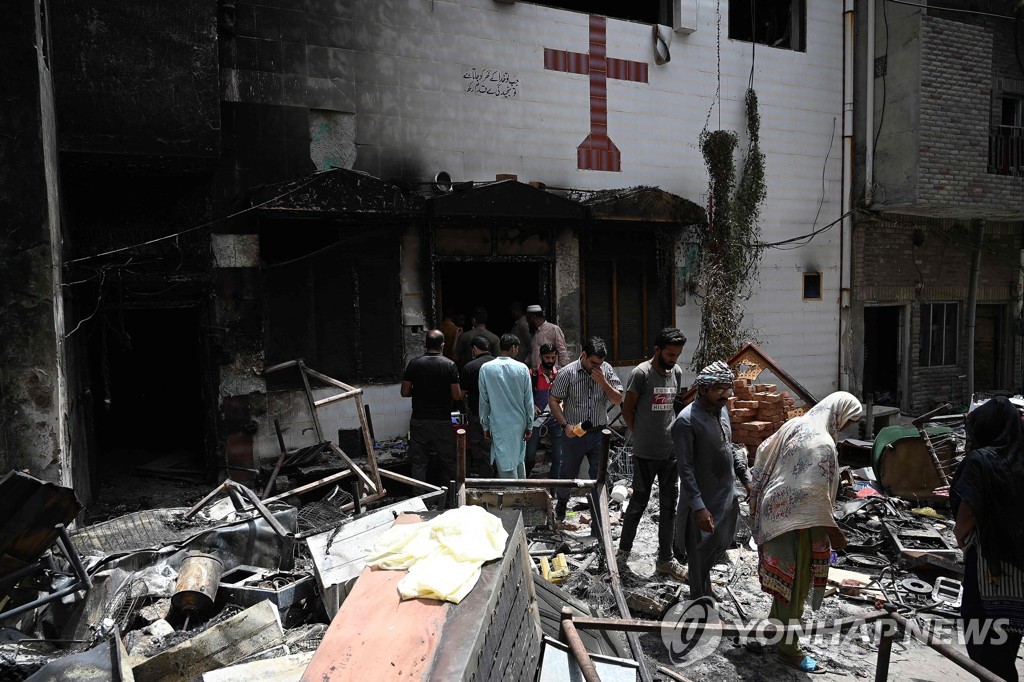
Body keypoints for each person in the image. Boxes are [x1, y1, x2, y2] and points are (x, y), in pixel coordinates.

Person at [748, 392, 863, 674]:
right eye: (849, 420)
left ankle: (774, 631)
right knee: (795, 584)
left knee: (784, 582)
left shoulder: (797, 424)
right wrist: (832, 531)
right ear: (839, 413)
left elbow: (764, 449)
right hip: (796, 523)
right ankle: (789, 650)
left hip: (774, 512)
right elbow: (812, 494)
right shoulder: (822, 444)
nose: (847, 427)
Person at [950, 396, 1024, 682]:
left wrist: (960, 539)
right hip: (1018, 572)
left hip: (987, 567)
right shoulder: (1018, 456)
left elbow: (967, 514)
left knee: (980, 641)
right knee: (1006, 644)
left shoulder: (980, 460)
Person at [673, 360, 752, 601]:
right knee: (699, 554)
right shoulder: (686, 422)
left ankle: (705, 586)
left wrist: (746, 477)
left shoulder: (722, 412)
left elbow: (731, 448)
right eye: (719, 389)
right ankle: (699, 601)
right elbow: (685, 470)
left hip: (726, 496)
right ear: (703, 389)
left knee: (717, 547)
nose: (726, 395)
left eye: (728, 389)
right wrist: (698, 508)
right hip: (703, 503)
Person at [618, 328, 688, 581]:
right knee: (638, 503)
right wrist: (641, 435)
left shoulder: (676, 373)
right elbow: (627, 409)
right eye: (670, 354)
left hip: (670, 452)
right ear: (657, 350)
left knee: (669, 507)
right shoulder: (641, 374)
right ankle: (622, 554)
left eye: (677, 355)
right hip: (646, 453)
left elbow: (672, 407)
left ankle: (665, 560)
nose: (674, 359)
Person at [549, 337, 623, 532]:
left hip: (599, 432)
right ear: (583, 355)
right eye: (593, 363)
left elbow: (617, 399)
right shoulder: (568, 373)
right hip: (575, 433)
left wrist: (603, 382)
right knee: (568, 474)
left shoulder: (606, 370)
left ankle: (598, 524)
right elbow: (554, 400)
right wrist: (565, 425)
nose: (597, 367)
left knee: (599, 476)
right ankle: (562, 507)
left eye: (600, 363)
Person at [400, 329, 461, 486]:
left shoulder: (414, 364)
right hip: (442, 421)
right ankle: (451, 497)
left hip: (419, 420)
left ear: (425, 345)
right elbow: (456, 395)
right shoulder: (450, 365)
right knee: (447, 461)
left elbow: (405, 392)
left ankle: (419, 498)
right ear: (442, 345)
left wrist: (420, 390)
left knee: (419, 462)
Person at [478, 334, 535, 479]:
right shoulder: (522, 369)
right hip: (519, 423)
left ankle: (515, 496)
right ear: (514, 348)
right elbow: (528, 401)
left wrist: (485, 425)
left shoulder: (486, 368)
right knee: (517, 459)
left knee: (506, 462)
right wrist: (529, 424)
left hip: (499, 423)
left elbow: (484, 402)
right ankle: (519, 495)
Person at [525, 343, 564, 477]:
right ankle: (526, 481)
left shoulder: (560, 375)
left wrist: (562, 404)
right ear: (541, 357)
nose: (550, 361)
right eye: (547, 358)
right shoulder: (532, 375)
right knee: (529, 455)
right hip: (536, 421)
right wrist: (532, 406)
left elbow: (564, 395)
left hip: (555, 420)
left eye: (553, 357)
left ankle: (554, 488)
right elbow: (525, 396)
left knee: (558, 457)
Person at [460, 335, 496, 477]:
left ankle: (486, 480)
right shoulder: (499, 364)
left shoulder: (470, 367)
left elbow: (461, 395)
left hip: (478, 414)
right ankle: (500, 477)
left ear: (475, 349)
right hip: (500, 414)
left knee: (481, 448)